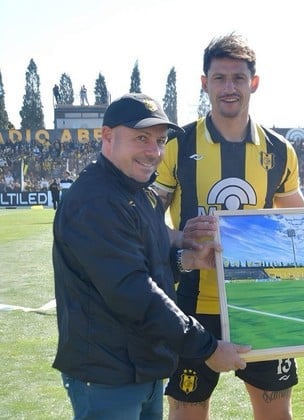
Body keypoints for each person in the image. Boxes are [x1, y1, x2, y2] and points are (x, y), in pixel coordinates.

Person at [52, 93, 250, 419]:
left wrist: (187, 261)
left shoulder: (140, 192)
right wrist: (208, 347)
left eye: (159, 141)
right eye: (141, 138)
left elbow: (148, 264)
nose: (154, 152)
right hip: (107, 374)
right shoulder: (96, 200)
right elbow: (133, 292)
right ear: (107, 136)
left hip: (142, 365)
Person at [154, 33, 304, 420]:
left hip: (260, 305)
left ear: (253, 83)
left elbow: (303, 222)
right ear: (204, 83)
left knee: (276, 413)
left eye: (238, 78)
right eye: (219, 78)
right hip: (191, 304)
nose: (229, 88)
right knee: (187, 413)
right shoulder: (177, 145)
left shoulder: (279, 150)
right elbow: (144, 220)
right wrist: (181, 238)